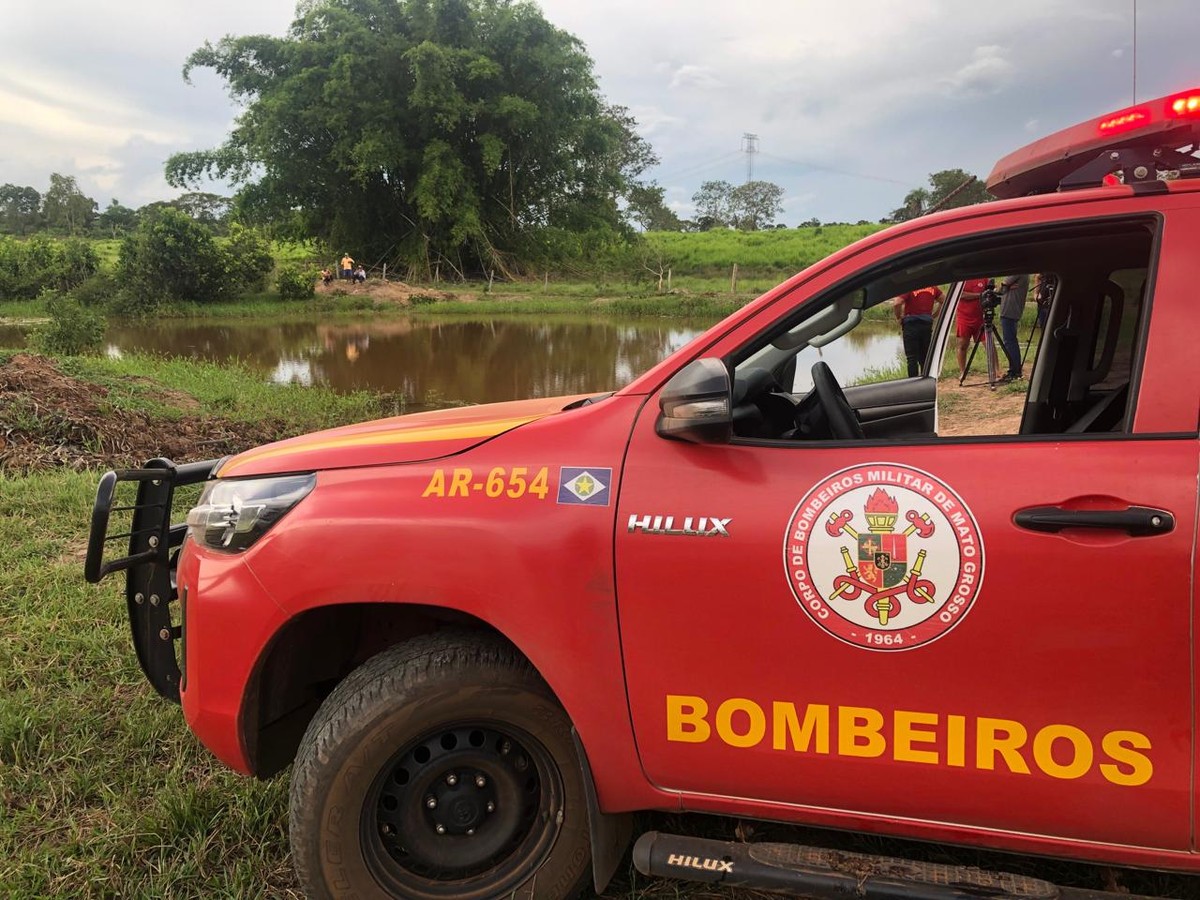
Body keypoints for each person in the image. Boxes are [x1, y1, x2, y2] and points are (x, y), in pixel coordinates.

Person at [893, 285, 943, 377]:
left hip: (911, 325)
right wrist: (934, 315)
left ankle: (913, 382)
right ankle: (926, 379)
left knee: (912, 358)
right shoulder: (932, 287)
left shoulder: (910, 287)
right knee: (925, 357)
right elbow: (944, 301)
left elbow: (897, 303)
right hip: (926, 325)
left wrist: (898, 317)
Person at [998, 273, 1030, 381]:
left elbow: (1003, 285)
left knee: (1010, 342)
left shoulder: (1018, 271)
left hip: (1010, 311)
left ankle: (1015, 371)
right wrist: (1006, 287)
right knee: (1011, 341)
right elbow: (1004, 287)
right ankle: (1015, 370)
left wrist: (1005, 287)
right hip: (1012, 310)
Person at [954, 278, 989, 379]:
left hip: (980, 317)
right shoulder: (960, 280)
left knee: (988, 344)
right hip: (964, 317)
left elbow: (990, 292)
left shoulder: (984, 278)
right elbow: (961, 294)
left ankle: (996, 370)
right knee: (962, 345)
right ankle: (962, 371)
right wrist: (981, 295)